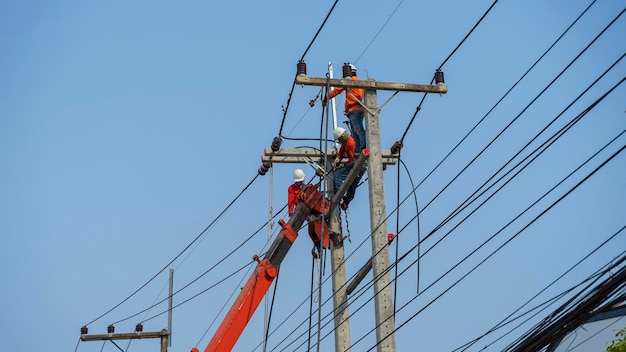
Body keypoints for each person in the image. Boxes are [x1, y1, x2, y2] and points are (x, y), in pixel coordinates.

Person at [325, 63, 366, 153]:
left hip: (353, 109)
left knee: (358, 130)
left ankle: (362, 147)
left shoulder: (350, 82)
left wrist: (327, 96)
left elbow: (337, 90)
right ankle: (357, 150)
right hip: (355, 110)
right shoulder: (359, 82)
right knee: (355, 133)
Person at [332, 127, 365, 210]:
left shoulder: (350, 144)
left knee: (337, 175)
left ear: (341, 138)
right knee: (352, 185)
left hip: (356, 165)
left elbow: (354, 160)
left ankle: (339, 193)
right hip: (361, 167)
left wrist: (343, 165)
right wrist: (338, 157)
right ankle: (346, 202)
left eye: (339, 140)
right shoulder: (347, 141)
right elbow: (342, 149)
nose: (339, 142)